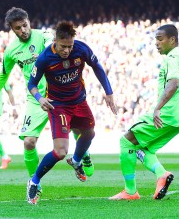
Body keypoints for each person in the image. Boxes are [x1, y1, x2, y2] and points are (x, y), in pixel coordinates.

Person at [0, 8, 94, 179]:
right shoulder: (11, 51)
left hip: (59, 95)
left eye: (25, 25)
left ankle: (83, 155)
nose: (23, 30)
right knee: (28, 142)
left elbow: (52, 45)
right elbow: (2, 76)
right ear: (11, 28)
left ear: (29, 21)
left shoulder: (44, 35)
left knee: (79, 128)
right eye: (18, 28)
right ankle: (33, 182)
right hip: (36, 100)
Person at [109, 24, 179, 201]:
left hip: (167, 113)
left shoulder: (172, 58)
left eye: (160, 39)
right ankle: (161, 174)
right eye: (155, 39)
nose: (156, 43)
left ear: (172, 39)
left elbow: (173, 84)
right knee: (143, 148)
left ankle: (130, 191)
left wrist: (157, 108)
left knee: (126, 141)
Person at [26, 21, 117, 204]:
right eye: (63, 46)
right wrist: (40, 99)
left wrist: (108, 92)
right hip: (58, 105)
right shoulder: (44, 58)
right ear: (55, 41)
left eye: (70, 46)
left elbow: (97, 67)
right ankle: (34, 181)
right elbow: (32, 84)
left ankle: (76, 161)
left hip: (79, 101)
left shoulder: (81, 49)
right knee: (60, 152)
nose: (67, 50)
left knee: (90, 133)